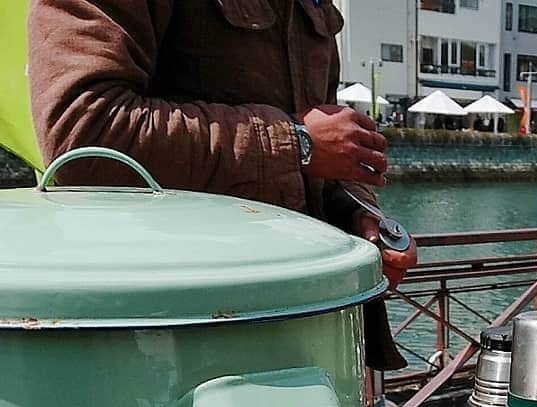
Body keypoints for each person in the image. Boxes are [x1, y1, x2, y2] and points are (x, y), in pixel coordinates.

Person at [26, 0, 417, 288]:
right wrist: (295, 142)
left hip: (308, 308)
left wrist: (360, 215)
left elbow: (320, 145)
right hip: (171, 322)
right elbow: (82, 133)